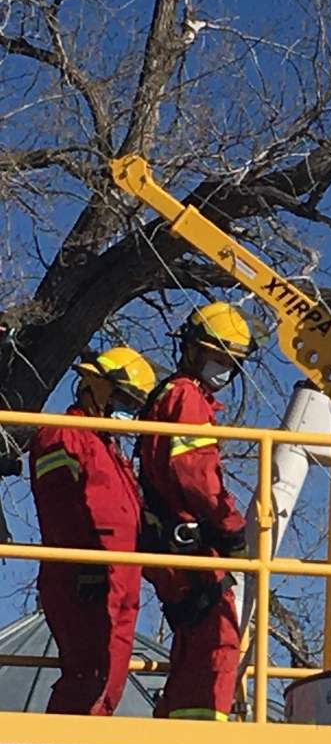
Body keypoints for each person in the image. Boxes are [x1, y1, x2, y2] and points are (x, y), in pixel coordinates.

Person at [139, 302, 255, 721]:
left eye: (231, 361)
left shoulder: (175, 394)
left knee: (193, 633)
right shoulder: (186, 396)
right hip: (185, 536)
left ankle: (174, 721)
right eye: (216, 356)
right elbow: (194, 473)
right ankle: (200, 734)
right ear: (192, 350)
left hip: (172, 535)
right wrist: (231, 527)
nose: (223, 368)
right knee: (217, 636)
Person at [29, 346, 156, 715]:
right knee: (89, 674)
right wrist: (83, 564)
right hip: (82, 577)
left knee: (108, 674)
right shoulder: (65, 435)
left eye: (132, 403)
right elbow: (59, 507)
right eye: (121, 398)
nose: (126, 411)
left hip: (115, 578)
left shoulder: (106, 447)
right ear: (93, 388)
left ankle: (85, 741)